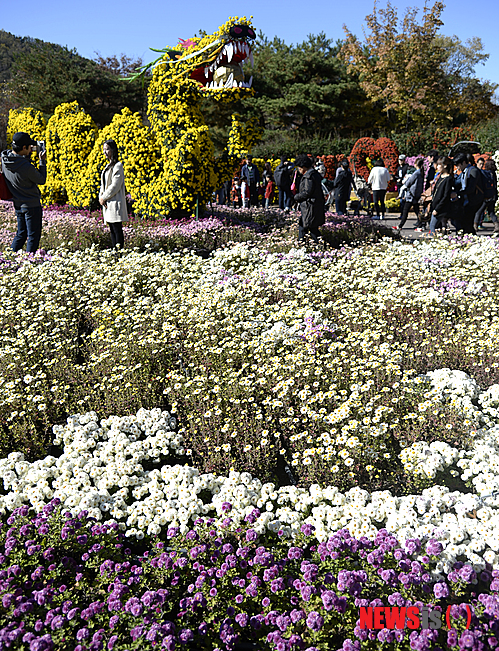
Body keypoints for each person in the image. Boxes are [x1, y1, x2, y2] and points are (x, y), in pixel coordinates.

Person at [1, 132, 47, 253]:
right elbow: (41, 179)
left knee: (21, 234)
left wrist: (26, 156)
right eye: (29, 147)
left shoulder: (5, 160)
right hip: (31, 205)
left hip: (18, 203)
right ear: (24, 147)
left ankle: (8, 259)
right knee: (33, 237)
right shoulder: (26, 166)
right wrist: (42, 161)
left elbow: (18, 167)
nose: (31, 149)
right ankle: (29, 263)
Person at [99, 139, 128, 249]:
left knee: (117, 229)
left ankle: (119, 253)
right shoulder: (107, 166)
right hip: (107, 202)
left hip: (114, 202)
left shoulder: (118, 166)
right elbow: (103, 185)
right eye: (103, 150)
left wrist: (104, 197)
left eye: (107, 149)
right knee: (112, 229)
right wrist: (101, 197)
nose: (105, 152)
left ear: (113, 150)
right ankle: (114, 252)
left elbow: (115, 186)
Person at [293, 154, 325, 243]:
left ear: (303, 167)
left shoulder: (308, 177)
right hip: (313, 205)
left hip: (310, 206)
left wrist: (296, 197)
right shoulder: (315, 174)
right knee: (304, 226)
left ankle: (318, 244)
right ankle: (303, 243)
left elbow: (307, 192)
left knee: (311, 227)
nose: (298, 170)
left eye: (299, 167)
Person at [453, 153, 483, 235]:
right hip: (467, 200)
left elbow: (471, 189)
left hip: (474, 200)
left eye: (458, 165)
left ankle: (471, 239)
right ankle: (470, 238)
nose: (457, 167)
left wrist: (458, 193)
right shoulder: (464, 171)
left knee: (467, 222)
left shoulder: (473, 171)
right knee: (465, 222)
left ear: (463, 162)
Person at [428, 156, 454, 235]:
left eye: (439, 165)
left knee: (433, 226)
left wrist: (437, 208)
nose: (437, 167)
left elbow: (445, 196)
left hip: (441, 208)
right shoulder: (440, 176)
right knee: (438, 229)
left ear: (445, 165)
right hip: (435, 205)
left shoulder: (448, 179)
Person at [397, 159, 424, 231]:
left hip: (411, 195)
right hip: (416, 195)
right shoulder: (421, 173)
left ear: (415, 164)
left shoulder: (416, 173)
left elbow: (409, 182)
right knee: (416, 211)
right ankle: (421, 224)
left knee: (405, 210)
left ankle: (400, 225)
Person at [475, 159, 499, 233]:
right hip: (493, 195)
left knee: (479, 211)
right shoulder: (493, 173)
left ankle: (475, 225)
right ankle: (497, 225)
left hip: (485, 196)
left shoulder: (483, 173)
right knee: (491, 212)